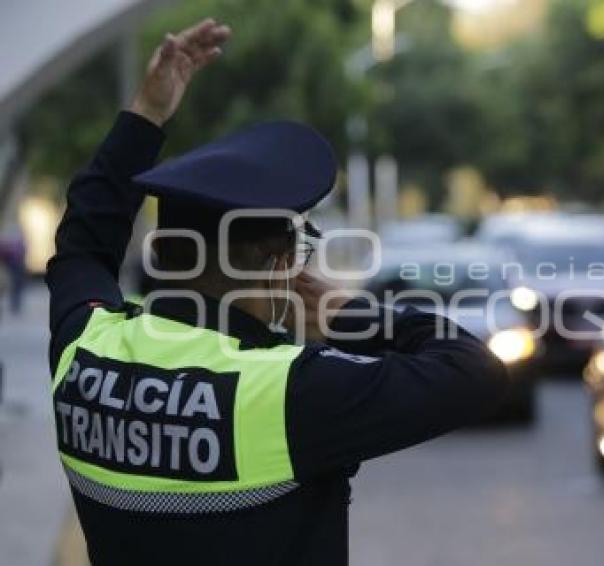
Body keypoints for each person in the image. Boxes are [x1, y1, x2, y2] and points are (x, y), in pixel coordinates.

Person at [47, 18, 507, 566]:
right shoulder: (287, 392)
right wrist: (349, 316)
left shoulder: (84, 350)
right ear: (280, 262)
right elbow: (475, 371)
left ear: (165, 251)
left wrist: (145, 115)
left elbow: (82, 245)